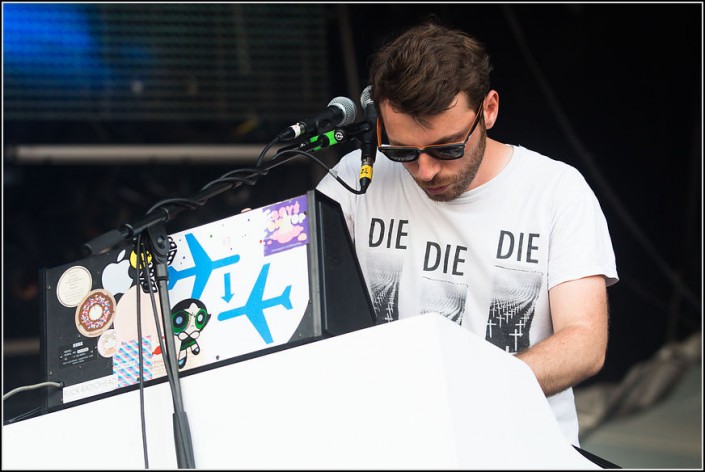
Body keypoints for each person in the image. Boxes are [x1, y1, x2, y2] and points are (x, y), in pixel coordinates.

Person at [315, 20, 618, 446]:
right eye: (401, 151)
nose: (426, 170)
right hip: (389, 443)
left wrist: (465, 391)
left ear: (489, 109)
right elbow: (299, 291)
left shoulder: (556, 192)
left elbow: (585, 342)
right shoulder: (356, 178)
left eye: (446, 148)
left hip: (519, 449)